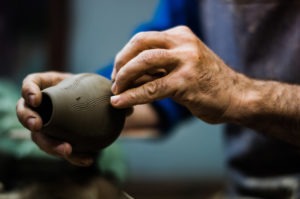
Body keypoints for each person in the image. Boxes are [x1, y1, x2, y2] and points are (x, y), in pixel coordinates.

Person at [16, 0, 300, 198]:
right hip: (247, 188)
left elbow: (224, 90)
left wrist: (242, 94)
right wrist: (73, 108)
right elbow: (155, 90)